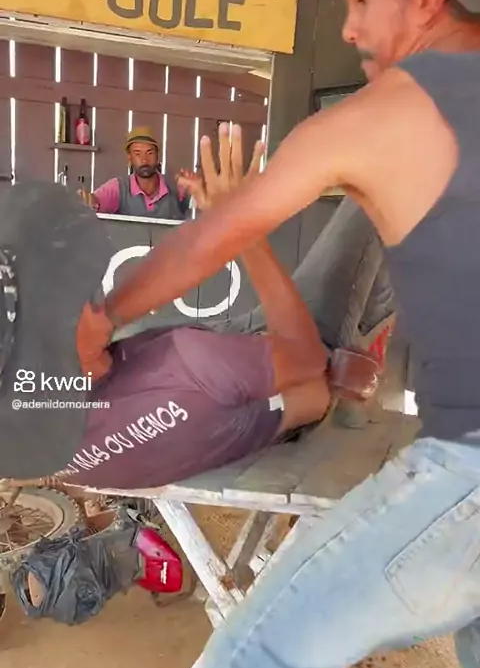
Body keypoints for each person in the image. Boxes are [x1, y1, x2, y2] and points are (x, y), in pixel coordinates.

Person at [74, 0, 480, 668]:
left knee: (251, 665)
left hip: (445, 449)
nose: (348, 27)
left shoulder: (389, 112)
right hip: (303, 372)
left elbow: (206, 246)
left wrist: (105, 316)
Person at [56, 127, 378, 491]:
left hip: (214, 379)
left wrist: (227, 221)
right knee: (370, 196)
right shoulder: (187, 363)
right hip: (297, 366)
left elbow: (130, 302)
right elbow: (312, 376)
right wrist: (245, 229)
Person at [78, 126, 190, 221]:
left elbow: (199, 205)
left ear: (157, 156)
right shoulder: (119, 187)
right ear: (129, 158)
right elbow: (96, 201)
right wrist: (89, 201)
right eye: (137, 154)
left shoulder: (176, 186)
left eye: (150, 153)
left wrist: (196, 186)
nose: (144, 160)